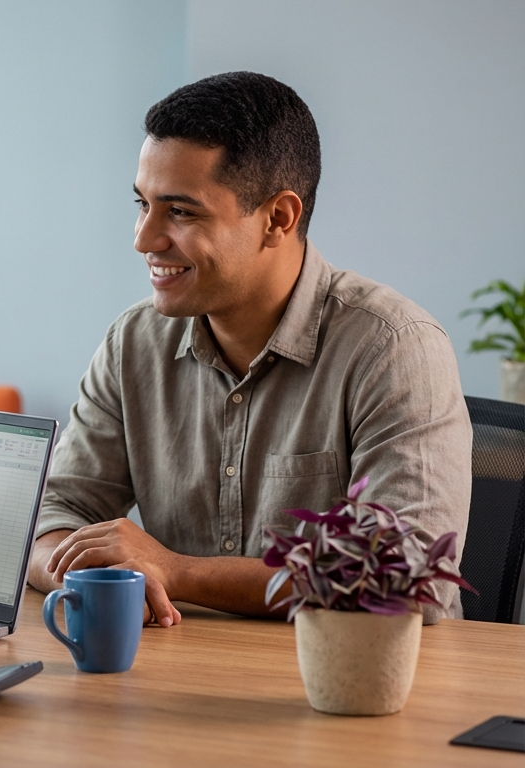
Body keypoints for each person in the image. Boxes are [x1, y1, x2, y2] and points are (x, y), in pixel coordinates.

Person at [26, 71, 471, 626]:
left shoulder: (394, 348)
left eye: (180, 211)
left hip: (353, 676)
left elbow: (404, 577)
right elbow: (53, 514)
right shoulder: (133, 343)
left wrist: (177, 572)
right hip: (186, 666)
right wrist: (90, 574)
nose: (143, 239)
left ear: (278, 218)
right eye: (142, 204)